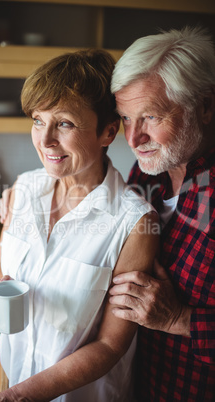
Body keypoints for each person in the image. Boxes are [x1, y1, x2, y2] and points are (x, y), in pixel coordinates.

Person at [0, 49, 159, 402]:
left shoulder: (134, 223)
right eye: (37, 120)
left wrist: (19, 397)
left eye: (63, 123)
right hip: (13, 378)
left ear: (108, 132)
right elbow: (0, 262)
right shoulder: (24, 189)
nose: (44, 140)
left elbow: (111, 345)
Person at [108, 26, 215, 401]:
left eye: (151, 117)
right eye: (125, 118)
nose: (133, 138)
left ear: (204, 106)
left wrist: (180, 319)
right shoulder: (146, 174)